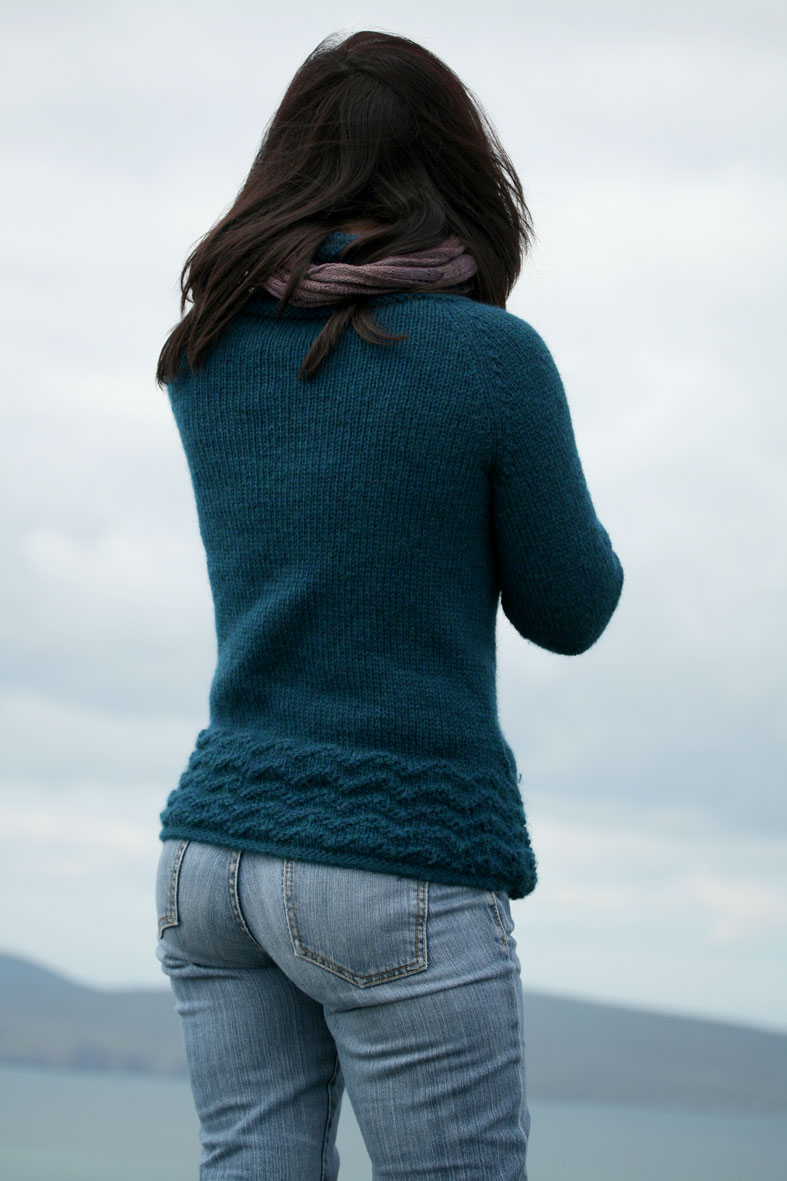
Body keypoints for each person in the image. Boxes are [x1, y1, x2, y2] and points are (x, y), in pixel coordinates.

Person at [153, 28, 624, 1181]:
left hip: (213, 858)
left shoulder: (204, 354)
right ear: (458, 171)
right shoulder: (492, 359)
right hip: (392, 849)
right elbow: (570, 606)